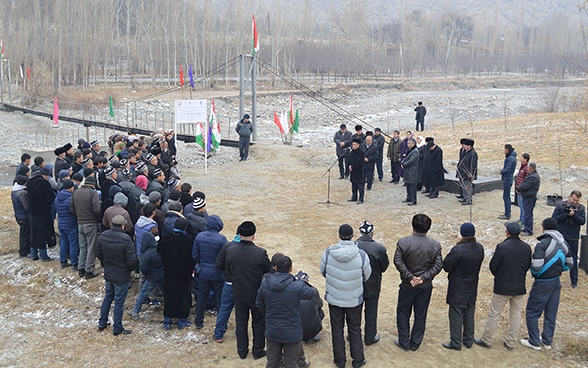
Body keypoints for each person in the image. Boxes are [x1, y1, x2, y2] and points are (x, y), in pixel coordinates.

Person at [474, 222, 532, 351]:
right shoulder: (527, 247)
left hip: (503, 286)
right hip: (519, 286)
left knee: (494, 314)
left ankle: (486, 339)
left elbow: (493, 267)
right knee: (516, 314)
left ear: (507, 232)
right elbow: (527, 265)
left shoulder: (502, 247)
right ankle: (511, 342)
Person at [320, 224, 371, 368]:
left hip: (335, 298)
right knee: (355, 329)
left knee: (337, 329)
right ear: (352, 236)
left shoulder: (329, 253)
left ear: (339, 235)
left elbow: (323, 271)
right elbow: (366, 275)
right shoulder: (361, 254)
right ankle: (358, 360)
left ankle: (340, 361)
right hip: (354, 299)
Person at [256, 255, 318, 368]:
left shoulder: (265, 284)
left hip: (273, 329)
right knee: (291, 363)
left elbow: (259, 303)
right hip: (292, 331)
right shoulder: (297, 286)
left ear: (275, 268)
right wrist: (302, 281)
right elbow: (312, 293)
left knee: (272, 363)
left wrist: (268, 315)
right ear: (291, 269)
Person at [521, 218, 573, 351]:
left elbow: (536, 267)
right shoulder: (564, 243)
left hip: (543, 282)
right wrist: (558, 269)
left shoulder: (542, 244)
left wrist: (535, 273)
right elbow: (569, 264)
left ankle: (534, 341)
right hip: (556, 281)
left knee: (532, 312)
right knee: (551, 313)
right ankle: (547, 341)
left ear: (544, 228)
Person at [393, 214, 443, 351]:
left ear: (413, 226)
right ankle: (415, 342)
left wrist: (410, 277)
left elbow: (397, 261)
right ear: (428, 229)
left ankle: (404, 341)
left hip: (407, 284)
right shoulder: (435, 245)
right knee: (420, 314)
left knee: (403, 312)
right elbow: (438, 265)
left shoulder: (403, 242)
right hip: (425, 286)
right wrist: (423, 278)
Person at [224, 221, 272, 360]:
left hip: (238, 292)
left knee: (241, 322)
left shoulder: (231, 251)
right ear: (253, 235)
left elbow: (226, 271)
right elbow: (268, 270)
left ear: (239, 234)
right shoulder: (260, 253)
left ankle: (242, 351)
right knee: (258, 322)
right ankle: (257, 351)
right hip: (256, 293)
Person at [442, 223, 484, 350]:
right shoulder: (479, 248)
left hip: (458, 286)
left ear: (462, 234)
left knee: (456, 314)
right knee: (469, 313)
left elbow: (447, 266)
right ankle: (468, 340)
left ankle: (455, 342)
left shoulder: (458, 249)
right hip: (472, 284)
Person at [96, 215, 138, 336]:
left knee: (108, 297)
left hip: (109, 273)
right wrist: (130, 269)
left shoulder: (103, 236)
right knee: (119, 302)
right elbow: (131, 261)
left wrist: (105, 263)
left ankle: (102, 322)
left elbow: (98, 252)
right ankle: (117, 327)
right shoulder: (125, 239)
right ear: (123, 226)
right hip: (121, 275)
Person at [356, 221, 389, 346]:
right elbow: (384, 267)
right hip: (373, 284)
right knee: (371, 312)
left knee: (355, 312)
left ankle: (353, 333)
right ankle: (370, 336)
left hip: (356, 284)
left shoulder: (354, 245)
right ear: (372, 233)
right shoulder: (380, 248)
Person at [158, 218, 194, 330]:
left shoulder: (166, 237)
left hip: (169, 271)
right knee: (183, 295)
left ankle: (167, 320)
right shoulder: (188, 240)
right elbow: (192, 256)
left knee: (169, 295)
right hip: (184, 273)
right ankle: (182, 321)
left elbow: (159, 249)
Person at [192, 215, 228, 329]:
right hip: (218, 273)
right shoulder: (222, 239)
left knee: (202, 297)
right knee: (220, 299)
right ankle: (221, 323)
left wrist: (201, 264)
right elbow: (224, 257)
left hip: (203, 272)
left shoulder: (199, 236)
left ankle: (198, 321)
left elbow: (194, 255)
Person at [552, 190, 585, 288]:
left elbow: (582, 221)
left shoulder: (581, 208)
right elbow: (554, 219)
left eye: (577, 201)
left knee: (573, 259)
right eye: (573, 200)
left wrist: (574, 215)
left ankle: (574, 282)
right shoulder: (560, 205)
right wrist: (565, 215)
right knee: (557, 258)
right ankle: (555, 279)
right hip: (561, 236)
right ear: (570, 197)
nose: (575, 202)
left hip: (573, 237)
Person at [70, 175, 102, 279]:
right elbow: (97, 209)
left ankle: (81, 268)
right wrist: (98, 219)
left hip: (80, 223)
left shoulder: (76, 192)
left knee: (82, 247)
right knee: (91, 247)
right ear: (92, 184)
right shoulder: (93, 193)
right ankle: (89, 270)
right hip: (91, 223)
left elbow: (71, 208)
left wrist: (79, 215)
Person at [213, 229, 241, 343]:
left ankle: (218, 333)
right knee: (241, 311)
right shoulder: (250, 248)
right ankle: (240, 334)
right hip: (242, 285)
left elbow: (218, 264)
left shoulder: (227, 246)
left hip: (229, 282)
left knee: (224, 308)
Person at [27, 166, 56, 261]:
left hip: (32, 212)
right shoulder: (44, 183)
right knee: (42, 234)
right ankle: (43, 255)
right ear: (45, 175)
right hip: (43, 213)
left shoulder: (30, 182)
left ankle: (33, 254)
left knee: (33, 233)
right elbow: (50, 198)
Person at [54, 180, 79, 269]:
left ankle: (63, 261)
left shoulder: (57, 198)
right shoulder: (71, 199)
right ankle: (74, 263)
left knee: (64, 242)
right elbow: (74, 211)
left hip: (61, 223)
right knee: (73, 243)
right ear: (71, 187)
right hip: (71, 223)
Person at [516, 162, 540, 236]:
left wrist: (518, 188)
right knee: (526, 213)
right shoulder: (531, 175)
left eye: (528, 168)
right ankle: (526, 227)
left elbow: (525, 186)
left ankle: (529, 230)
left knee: (528, 214)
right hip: (527, 196)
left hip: (529, 197)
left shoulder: (533, 177)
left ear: (530, 168)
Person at [498, 144, 517, 220]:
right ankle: (507, 213)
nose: (504, 150)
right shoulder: (512, 158)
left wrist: (501, 171)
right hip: (508, 178)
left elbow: (508, 169)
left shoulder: (510, 158)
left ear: (508, 149)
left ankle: (507, 214)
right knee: (506, 196)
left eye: (505, 149)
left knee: (506, 197)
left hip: (507, 179)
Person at [456, 138, 477, 205]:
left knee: (467, 187)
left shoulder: (473, 154)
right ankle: (465, 198)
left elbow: (473, 165)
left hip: (468, 173)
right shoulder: (465, 152)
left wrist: (471, 173)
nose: (463, 146)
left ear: (469, 146)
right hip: (462, 172)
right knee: (463, 186)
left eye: (465, 145)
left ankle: (468, 200)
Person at [400, 138, 419, 206]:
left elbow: (412, 160)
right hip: (408, 171)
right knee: (408, 185)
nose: (407, 144)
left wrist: (404, 165)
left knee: (412, 186)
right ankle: (409, 197)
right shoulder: (410, 150)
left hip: (412, 171)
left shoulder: (415, 151)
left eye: (409, 143)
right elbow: (405, 157)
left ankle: (413, 200)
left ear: (413, 144)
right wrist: (402, 162)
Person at [347, 138, 365, 204]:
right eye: (352, 144)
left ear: (358, 145)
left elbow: (359, 162)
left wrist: (353, 167)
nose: (353, 146)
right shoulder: (351, 152)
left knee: (360, 187)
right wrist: (349, 166)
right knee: (353, 186)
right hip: (353, 172)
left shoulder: (361, 153)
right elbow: (348, 160)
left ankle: (361, 199)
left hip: (359, 172)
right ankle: (354, 197)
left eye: (354, 144)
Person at [514, 153, 530, 224]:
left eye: (522, 158)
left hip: (522, 190)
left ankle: (523, 221)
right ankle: (521, 219)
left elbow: (526, 180)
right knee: (520, 205)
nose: (520, 159)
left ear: (525, 159)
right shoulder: (522, 167)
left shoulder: (526, 168)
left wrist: (521, 188)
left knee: (523, 206)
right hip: (519, 188)